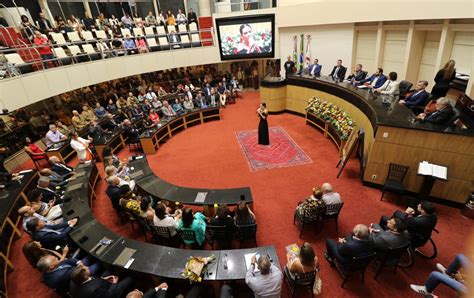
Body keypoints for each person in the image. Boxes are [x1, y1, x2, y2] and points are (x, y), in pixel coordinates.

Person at [69, 263, 134, 298]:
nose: (87, 267)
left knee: (108, 270)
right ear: (85, 276)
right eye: (85, 269)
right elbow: (109, 295)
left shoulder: (75, 279)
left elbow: (92, 279)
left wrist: (104, 279)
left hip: (100, 285)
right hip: (111, 293)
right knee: (130, 279)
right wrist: (114, 283)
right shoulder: (94, 290)